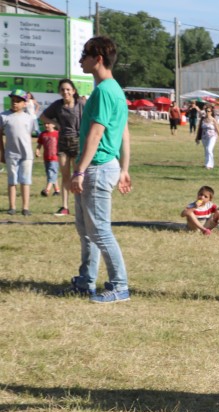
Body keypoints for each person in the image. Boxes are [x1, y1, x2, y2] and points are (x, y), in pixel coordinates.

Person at [61, 36, 132, 303]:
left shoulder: (104, 91)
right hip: (103, 167)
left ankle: (119, 286)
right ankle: (85, 281)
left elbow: (96, 132)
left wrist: (79, 170)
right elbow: (124, 133)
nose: (81, 60)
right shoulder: (114, 89)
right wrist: (124, 168)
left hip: (98, 168)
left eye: (84, 55)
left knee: (99, 231)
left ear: (98, 58)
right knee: (86, 229)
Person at [40, 79, 85, 217]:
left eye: (68, 89)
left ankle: (81, 207)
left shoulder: (81, 104)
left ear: (73, 91)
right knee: (65, 176)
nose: (65, 92)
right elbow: (42, 117)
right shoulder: (57, 106)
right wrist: (56, 124)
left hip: (77, 142)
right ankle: (64, 207)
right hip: (63, 144)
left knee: (78, 176)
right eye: (62, 90)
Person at [0, 88, 37, 216]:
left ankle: (25, 207)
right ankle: (12, 207)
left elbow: (31, 134)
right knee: (12, 180)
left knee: (25, 180)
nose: (15, 103)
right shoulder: (4, 116)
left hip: (26, 155)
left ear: (24, 103)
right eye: (13, 101)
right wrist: (2, 152)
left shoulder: (29, 118)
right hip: (11, 154)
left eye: (18, 101)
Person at [36, 121, 60, 198]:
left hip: (55, 158)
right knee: (51, 174)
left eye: (48, 123)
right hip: (46, 157)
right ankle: (57, 190)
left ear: (53, 124)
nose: (46, 125)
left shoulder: (57, 134)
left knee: (51, 173)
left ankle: (47, 190)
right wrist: (37, 150)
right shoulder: (43, 134)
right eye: (45, 123)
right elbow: (39, 144)